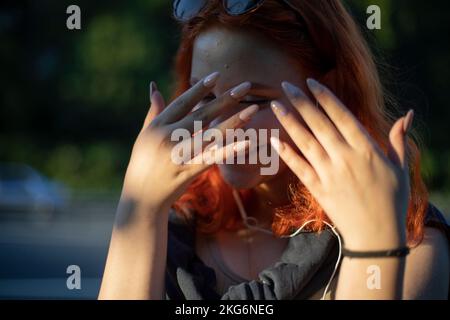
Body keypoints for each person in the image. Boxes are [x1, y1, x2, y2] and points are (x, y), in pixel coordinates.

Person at [98, 0, 449, 300]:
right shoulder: (179, 221)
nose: (225, 126)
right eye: (205, 97)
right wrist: (140, 209)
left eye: (253, 100)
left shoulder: (410, 240)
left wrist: (374, 245)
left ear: (328, 94)